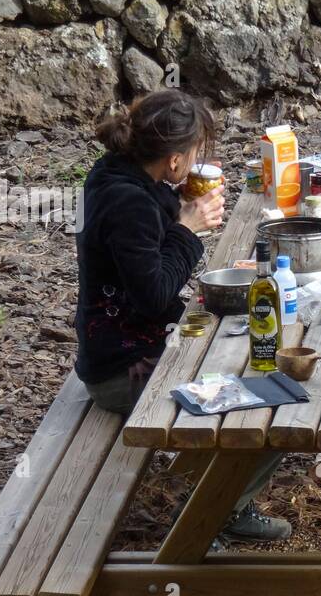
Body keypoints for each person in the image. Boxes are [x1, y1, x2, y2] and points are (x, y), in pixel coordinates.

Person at [74, 89, 290, 541]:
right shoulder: (128, 202)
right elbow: (154, 294)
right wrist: (188, 230)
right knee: (274, 406)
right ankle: (218, 513)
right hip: (125, 372)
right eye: (194, 154)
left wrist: (183, 208)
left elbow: (148, 219)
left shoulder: (116, 174)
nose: (195, 161)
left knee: (253, 355)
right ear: (174, 161)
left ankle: (214, 486)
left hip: (132, 348)